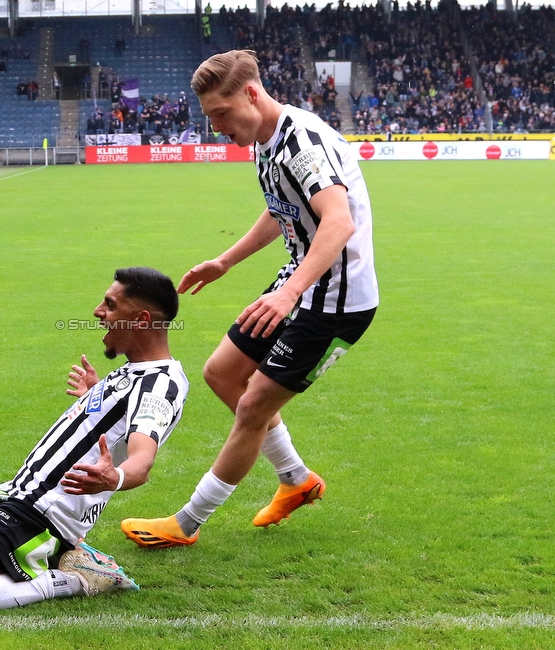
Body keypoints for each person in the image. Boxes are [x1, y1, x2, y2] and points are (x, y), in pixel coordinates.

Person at [121, 50, 378, 548]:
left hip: (335, 300)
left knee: (254, 403)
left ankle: (186, 523)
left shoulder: (302, 140)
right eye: (209, 117)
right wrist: (225, 261)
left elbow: (338, 221)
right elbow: (279, 209)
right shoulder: (266, 139)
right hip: (301, 283)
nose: (216, 126)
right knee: (222, 373)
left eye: (221, 113)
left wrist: (290, 292)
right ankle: (297, 480)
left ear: (251, 94)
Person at [0, 267, 189, 612]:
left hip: (41, 513)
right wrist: (93, 395)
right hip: (17, 490)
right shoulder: (135, 370)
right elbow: (114, 424)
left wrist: (114, 477)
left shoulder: (159, 384)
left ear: (141, 319)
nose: (98, 312)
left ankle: (72, 578)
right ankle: (55, 556)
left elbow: (142, 459)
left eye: (110, 305)